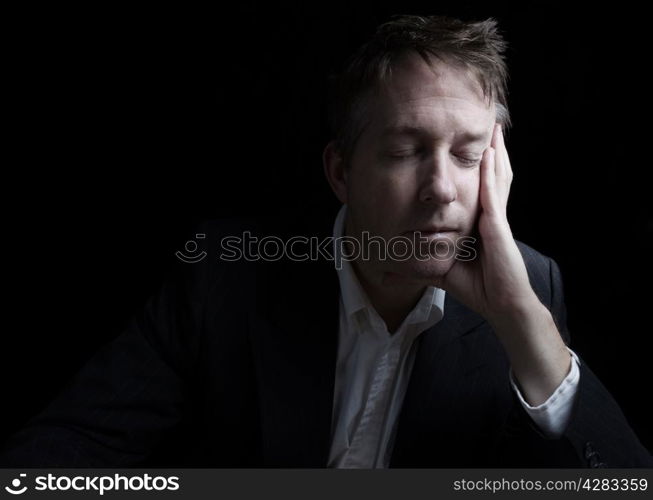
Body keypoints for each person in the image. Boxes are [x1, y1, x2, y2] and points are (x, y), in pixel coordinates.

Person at [1, 15, 651, 468]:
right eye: (406, 151)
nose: (440, 189)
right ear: (340, 171)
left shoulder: (530, 295)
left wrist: (518, 319)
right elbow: (57, 458)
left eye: (467, 154)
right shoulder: (226, 277)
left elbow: (615, 483)